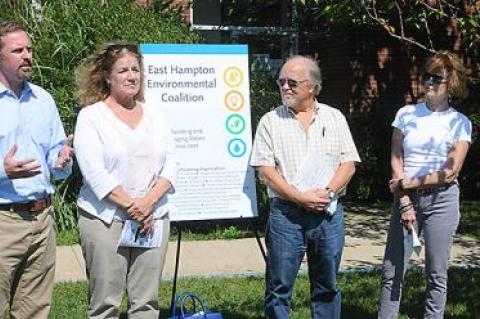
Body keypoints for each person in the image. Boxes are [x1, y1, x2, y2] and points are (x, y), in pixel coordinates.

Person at [250, 55, 361, 319]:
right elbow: (265, 170)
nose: (285, 87)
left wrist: (328, 193)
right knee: (279, 288)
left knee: (327, 286)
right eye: (281, 81)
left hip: (327, 214)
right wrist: (300, 198)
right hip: (286, 215)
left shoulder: (334, 118)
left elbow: (349, 164)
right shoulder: (270, 121)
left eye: (292, 82)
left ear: (312, 87)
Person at [74, 42, 176, 318]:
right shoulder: (91, 117)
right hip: (105, 220)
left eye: (135, 69)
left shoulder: (154, 114)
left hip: (153, 217)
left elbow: (172, 164)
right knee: (106, 304)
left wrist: (148, 204)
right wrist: (135, 207)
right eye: (123, 71)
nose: (132, 76)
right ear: (107, 76)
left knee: (146, 303)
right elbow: (95, 173)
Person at [378, 51, 471, 319]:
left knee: (436, 273)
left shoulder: (459, 122)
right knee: (391, 271)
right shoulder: (406, 114)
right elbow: (396, 157)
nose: (429, 82)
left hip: (442, 200)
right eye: (426, 75)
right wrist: (405, 198)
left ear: (451, 84)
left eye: (437, 78)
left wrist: (407, 181)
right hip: (405, 199)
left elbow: (451, 171)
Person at [0, 20, 73, 318]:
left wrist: (62, 160)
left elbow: (56, 160)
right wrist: (4, 171)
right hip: (4, 220)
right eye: (18, 50)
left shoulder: (43, 100)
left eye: (29, 49)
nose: (28, 56)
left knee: (34, 311)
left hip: (43, 219)